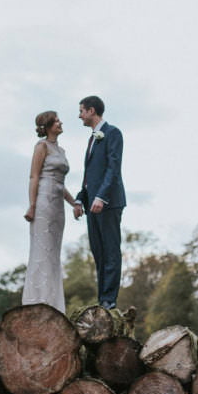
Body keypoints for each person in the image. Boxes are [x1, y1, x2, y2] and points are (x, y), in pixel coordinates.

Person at [74, 96, 126, 310]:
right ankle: (101, 300)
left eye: (82, 111)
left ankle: (109, 301)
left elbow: (113, 168)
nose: (79, 116)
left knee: (111, 251)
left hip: (109, 202)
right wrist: (80, 198)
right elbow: (90, 176)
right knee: (98, 252)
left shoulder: (113, 133)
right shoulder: (92, 139)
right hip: (92, 205)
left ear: (92, 110)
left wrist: (101, 197)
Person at [23, 111, 77, 312]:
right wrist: (32, 205)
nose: (60, 122)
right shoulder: (41, 147)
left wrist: (74, 203)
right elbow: (34, 177)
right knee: (41, 251)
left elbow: (60, 184)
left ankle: (54, 305)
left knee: (53, 254)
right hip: (43, 202)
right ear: (47, 125)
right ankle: (37, 303)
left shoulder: (61, 150)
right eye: (56, 121)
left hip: (58, 207)